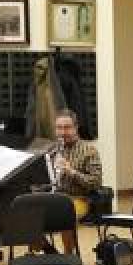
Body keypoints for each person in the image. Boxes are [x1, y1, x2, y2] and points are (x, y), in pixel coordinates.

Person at [52, 108, 104, 252]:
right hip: (53, 197)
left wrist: (71, 172)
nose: (63, 132)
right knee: (28, 211)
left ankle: (69, 255)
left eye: (67, 127)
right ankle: (48, 250)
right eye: (59, 128)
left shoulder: (89, 150)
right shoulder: (52, 150)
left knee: (64, 213)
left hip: (78, 199)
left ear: (76, 128)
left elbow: (95, 182)